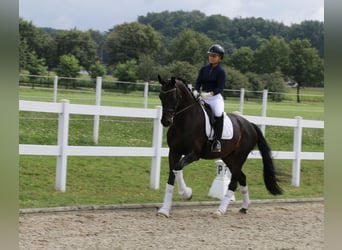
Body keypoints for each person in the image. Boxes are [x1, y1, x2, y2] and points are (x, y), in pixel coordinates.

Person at [193, 44, 226, 152]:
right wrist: (195, 90)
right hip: (203, 96)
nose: (211, 57)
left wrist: (210, 94)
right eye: (210, 55)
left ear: (220, 57)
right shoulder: (204, 69)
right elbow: (198, 82)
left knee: (218, 113)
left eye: (214, 55)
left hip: (215, 98)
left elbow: (220, 88)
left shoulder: (221, 72)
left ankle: (217, 141)